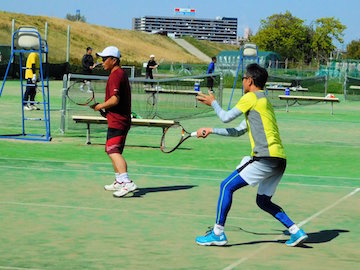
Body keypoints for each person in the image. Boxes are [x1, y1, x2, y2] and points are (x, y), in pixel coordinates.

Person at [195, 63, 308, 247]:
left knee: (226, 187)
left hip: (264, 158)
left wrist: (213, 103)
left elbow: (225, 116)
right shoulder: (264, 102)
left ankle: (218, 234)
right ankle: (295, 231)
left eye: (243, 79)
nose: (242, 82)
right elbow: (239, 130)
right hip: (280, 160)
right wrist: (211, 130)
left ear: (250, 81)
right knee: (263, 201)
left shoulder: (251, 98)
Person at [92, 46, 137, 198]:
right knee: (112, 150)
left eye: (105, 59)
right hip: (118, 119)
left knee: (113, 150)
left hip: (119, 121)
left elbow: (115, 99)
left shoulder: (116, 75)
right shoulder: (118, 74)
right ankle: (119, 180)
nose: (102, 62)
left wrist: (101, 106)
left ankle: (127, 182)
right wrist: (106, 111)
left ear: (114, 60)